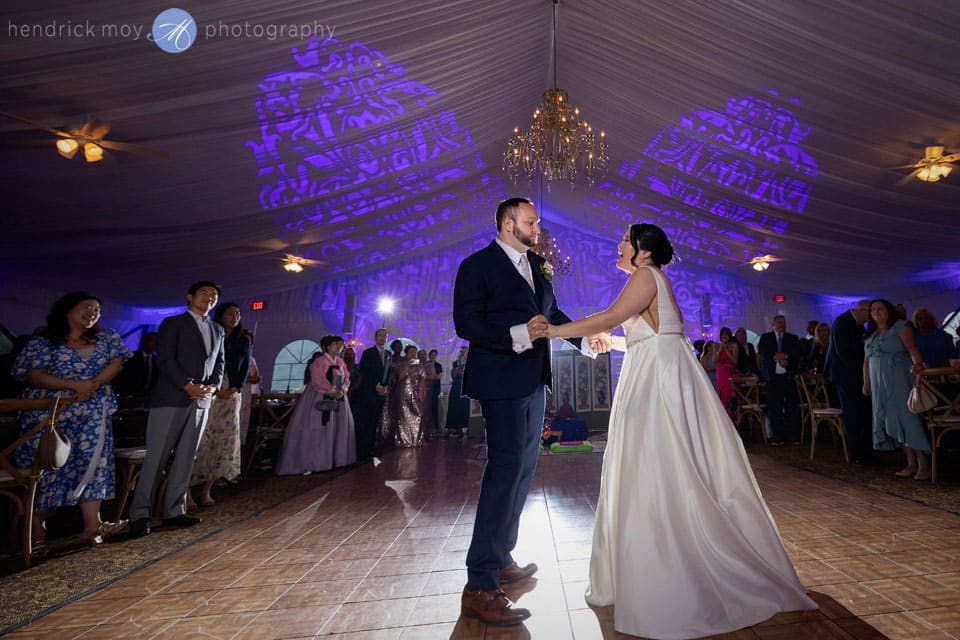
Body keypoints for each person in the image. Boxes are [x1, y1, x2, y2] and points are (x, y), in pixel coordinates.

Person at [541, 223, 815, 638]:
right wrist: (608, 342)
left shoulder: (644, 276)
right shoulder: (655, 279)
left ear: (643, 253)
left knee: (658, 463)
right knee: (663, 462)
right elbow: (648, 336)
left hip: (657, 381)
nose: (618, 246)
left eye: (625, 243)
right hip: (656, 368)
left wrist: (556, 331)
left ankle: (672, 571)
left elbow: (616, 317)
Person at [452, 197, 596, 626]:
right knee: (504, 469)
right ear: (507, 223)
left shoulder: (538, 267)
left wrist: (586, 341)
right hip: (499, 380)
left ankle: (500, 558)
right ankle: (479, 582)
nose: (538, 226)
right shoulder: (476, 265)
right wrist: (517, 332)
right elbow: (466, 323)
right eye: (531, 221)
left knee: (524, 468)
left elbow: (551, 315)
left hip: (534, 381)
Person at [12, 291, 131, 546]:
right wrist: (73, 385)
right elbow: (34, 375)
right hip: (50, 414)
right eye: (86, 307)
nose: (92, 313)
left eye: (96, 309)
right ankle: (36, 526)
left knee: (93, 463)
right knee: (49, 465)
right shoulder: (42, 342)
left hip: (93, 414)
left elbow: (118, 362)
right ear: (66, 309)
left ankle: (92, 525)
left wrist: (93, 383)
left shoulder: (106, 338)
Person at [128, 281, 225, 537]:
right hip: (171, 396)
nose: (209, 298)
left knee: (186, 456)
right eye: (204, 293)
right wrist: (187, 385)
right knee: (157, 456)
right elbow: (165, 359)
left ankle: (175, 510)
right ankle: (140, 514)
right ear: (190, 297)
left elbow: (219, 364)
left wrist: (212, 388)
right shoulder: (174, 323)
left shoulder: (217, 329)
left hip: (201, 400)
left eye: (214, 295)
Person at [189, 303, 250, 506]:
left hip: (231, 393)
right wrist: (215, 389)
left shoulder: (243, 340)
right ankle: (185, 491)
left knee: (224, 442)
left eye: (238, 313)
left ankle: (207, 490)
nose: (235, 317)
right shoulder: (212, 335)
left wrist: (237, 388)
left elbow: (245, 368)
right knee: (202, 440)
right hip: (209, 389)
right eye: (230, 313)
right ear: (221, 316)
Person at [864, 299, 931, 480]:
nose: (876, 312)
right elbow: (867, 361)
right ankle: (910, 462)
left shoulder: (901, 326)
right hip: (879, 382)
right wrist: (866, 382)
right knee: (891, 420)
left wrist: (918, 365)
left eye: (880, 308)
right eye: (873, 309)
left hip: (899, 378)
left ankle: (923, 464)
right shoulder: (871, 333)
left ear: (888, 311)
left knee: (908, 418)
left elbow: (913, 349)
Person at [276, 334, 356, 474]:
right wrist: (331, 390)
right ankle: (315, 461)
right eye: (335, 344)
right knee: (318, 427)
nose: (338, 347)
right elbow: (317, 380)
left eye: (340, 345)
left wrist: (343, 389)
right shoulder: (319, 362)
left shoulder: (341, 362)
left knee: (338, 428)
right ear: (327, 346)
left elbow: (347, 378)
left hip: (339, 399)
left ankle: (336, 459)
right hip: (320, 396)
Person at [823, 300, 873, 464]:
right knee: (852, 413)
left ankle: (864, 450)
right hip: (846, 376)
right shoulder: (843, 323)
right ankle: (857, 452)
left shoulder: (854, 323)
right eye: (869, 313)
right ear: (862, 310)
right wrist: (862, 373)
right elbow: (844, 352)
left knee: (861, 413)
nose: (869, 318)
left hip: (852, 375)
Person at [758, 315, 802, 444]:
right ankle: (777, 435)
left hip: (788, 377)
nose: (781, 325)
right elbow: (763, 351)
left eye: (783, 322)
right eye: (778, 322)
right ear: (774, 324)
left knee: (791, 406)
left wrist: (785, 356)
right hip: (772, 378)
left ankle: (792, 435)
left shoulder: (792, 338)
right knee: (775, 407)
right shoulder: (766, 338)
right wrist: (775, 356)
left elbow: (797, 353)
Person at [378, 344, 428, 448]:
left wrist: (422, 392)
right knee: (402, 415)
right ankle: (403, 440)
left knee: (418, 414)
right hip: (403, 391)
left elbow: (423, 379)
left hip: (415, 392)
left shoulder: (419, 364)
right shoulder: (400, 363)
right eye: (411, 352)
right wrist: (406, 369)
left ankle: (416, 439)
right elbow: (396, 379)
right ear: (406, 352)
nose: (413, 354)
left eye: (414, 352)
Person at [355, 328, 390, 461]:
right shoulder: (368, 353)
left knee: (375, 421)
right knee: (366, 421)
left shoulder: (388, 354)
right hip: (369, 392)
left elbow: (388, 372)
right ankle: (363, 450)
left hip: (381, 394)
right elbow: (364, 371)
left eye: (385, 336)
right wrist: (375, 385)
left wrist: (386, 386)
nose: (382, 338)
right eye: (380, 336)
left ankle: (371, 448)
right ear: (375, 337)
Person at [112, 331, 159, 397]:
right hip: (131, 396)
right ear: (144, 341)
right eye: (153, 341)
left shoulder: (157, 361)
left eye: (157, 342)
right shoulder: (131, 357)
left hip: (149, 397)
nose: (155, 344)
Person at [715, 326, 740, 420]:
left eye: (727, 334)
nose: (725, 336)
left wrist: (726, 349)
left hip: (732, 372)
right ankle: (724, 417)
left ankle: (733, 416)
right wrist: (720, 349)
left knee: (732, 394)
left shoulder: (734, 345)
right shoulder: (716, 345)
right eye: (723, 335)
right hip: (721, 373)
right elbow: (715, 359)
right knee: (723, 394)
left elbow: (734, 360)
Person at [445, 346, 470, 436]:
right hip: (456, 386)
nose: (463, 352)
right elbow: (453, 376)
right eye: (462, 351)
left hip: (466, 386)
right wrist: (458, 369)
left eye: (465, 351)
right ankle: (452, 427)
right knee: (454, 406)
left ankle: (462, 427)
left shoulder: (471, 362)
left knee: (463, 407)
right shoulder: (456, 363)